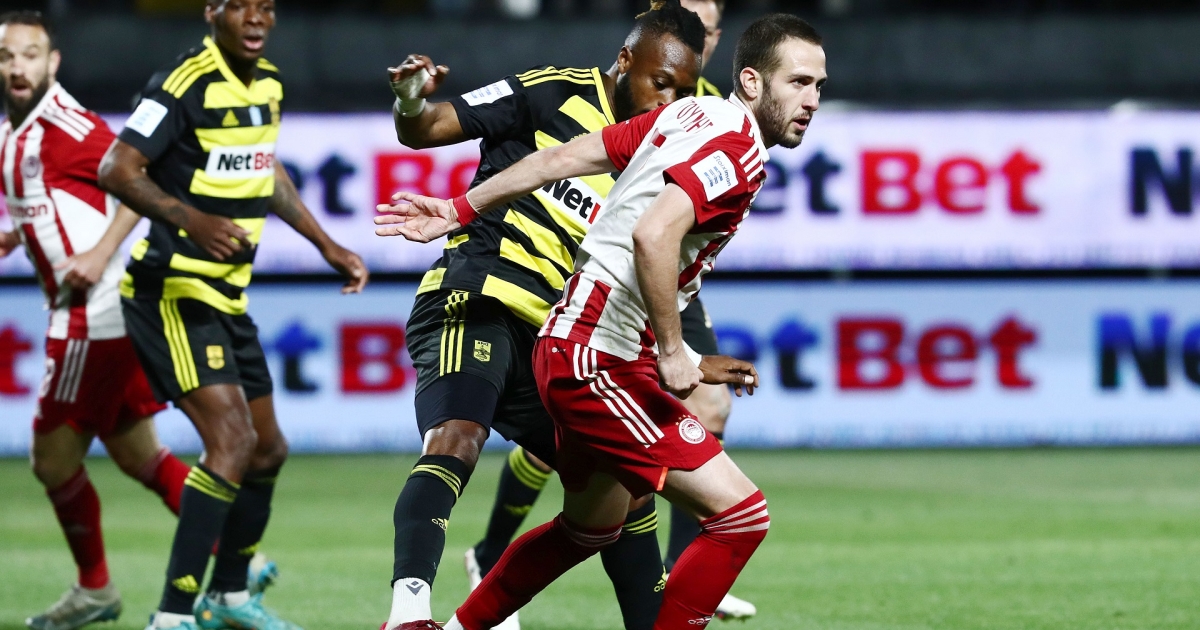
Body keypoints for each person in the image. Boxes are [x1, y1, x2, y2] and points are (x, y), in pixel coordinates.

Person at [376, 13, 825, 630]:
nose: (812, 100)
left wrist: (460, 205)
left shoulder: (689, 116)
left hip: (567, 337)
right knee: (741, 515)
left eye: (818, 86)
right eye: (798, 83)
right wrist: (673, 352)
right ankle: (408, 610)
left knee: (596, 524)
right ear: (751, 81)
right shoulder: (736, 150)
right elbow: (653, 234)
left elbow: (562, 158)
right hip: (582, 349)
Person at [96, 2, 369, 629]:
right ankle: (171, 615)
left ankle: (227, 594)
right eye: (240, 5)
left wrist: (326, 244)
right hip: (172, 291)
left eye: (266, 6)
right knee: (233, 441)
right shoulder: (182, 83)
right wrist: (191, 219)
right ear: (212, 12)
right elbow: (117, 167)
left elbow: (265, 169)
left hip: (227, 297)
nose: (256, 18)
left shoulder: (268, 82)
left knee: (267, 449)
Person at [0, 12, 185, 630]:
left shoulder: (68, 126)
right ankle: (240, 560)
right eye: (7, 56)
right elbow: (53, 203)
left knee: (51, 462)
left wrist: (102, 251)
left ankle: (96, 589)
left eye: (30, 55)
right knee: (139, 456)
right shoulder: (13, 134)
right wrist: (15, 235)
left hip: (91, 316)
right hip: (96, 314)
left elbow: (142, 175)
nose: (18, 66)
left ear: (52, 63)